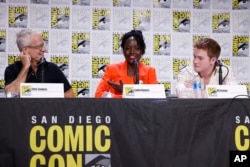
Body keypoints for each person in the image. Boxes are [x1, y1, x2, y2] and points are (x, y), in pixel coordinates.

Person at [4, 29, 75, 98]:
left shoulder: (52, 68)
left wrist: (50, 94)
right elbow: (11, 96)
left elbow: (71, 96)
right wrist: (26, 67)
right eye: (39, 47)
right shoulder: (12, 69)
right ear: (25, 49)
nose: (44, 49)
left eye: (43, 45)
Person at [95, 30, 158, 98]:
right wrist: (123, 95)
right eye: (127, 48)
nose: (132, 52)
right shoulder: (112, 69)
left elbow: (154, 97)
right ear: (123, 51)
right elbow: (98, 94)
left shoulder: (150, 71)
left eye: (137, 48)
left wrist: (125, 90)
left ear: (142, 51)